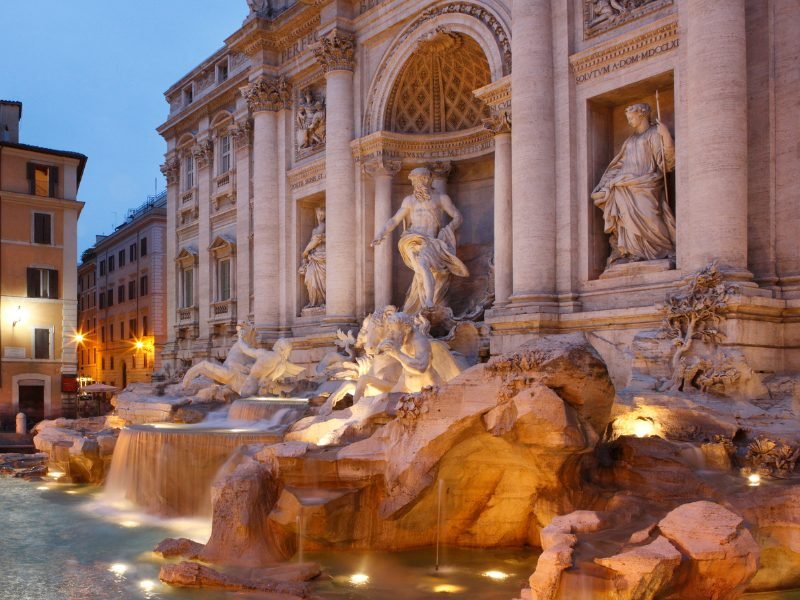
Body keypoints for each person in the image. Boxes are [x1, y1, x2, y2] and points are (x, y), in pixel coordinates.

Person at [371, 167, 468, 314]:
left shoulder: (441, 198)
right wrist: (381, 233)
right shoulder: (409, 201)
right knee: (422, 264)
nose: (418, 183)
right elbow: (394, 220)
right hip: (411, 239)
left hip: (430, 242)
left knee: (421, 270)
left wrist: (447, 229)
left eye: (421, 179)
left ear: (428, 179)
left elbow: (458, 217)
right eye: (415, 180)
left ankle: (421, 302)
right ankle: (428, 300)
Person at [592, 102, 676, 267]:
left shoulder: (654, 134)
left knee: (650, 217)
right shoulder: (630, 140)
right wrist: (604, 185)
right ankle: (633, 252)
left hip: (646, 183)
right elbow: (618, 165)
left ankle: (664, 249)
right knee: (626, 219)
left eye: (631, 117)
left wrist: (665, 136)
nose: (629, 121)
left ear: (642, 115)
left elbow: (666, 162)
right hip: (623, 185)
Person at [298, 206, 326, 308]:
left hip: (321, 256)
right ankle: (314, 302)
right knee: (310, 279)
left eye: (322, 214)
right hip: (314, 257)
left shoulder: (324, 226)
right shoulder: (315, 229)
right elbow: (314, 241)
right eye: (319, 214)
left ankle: (322, 301)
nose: (320, 216)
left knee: (322, 280)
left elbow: (315, 241)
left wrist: (305, 252)